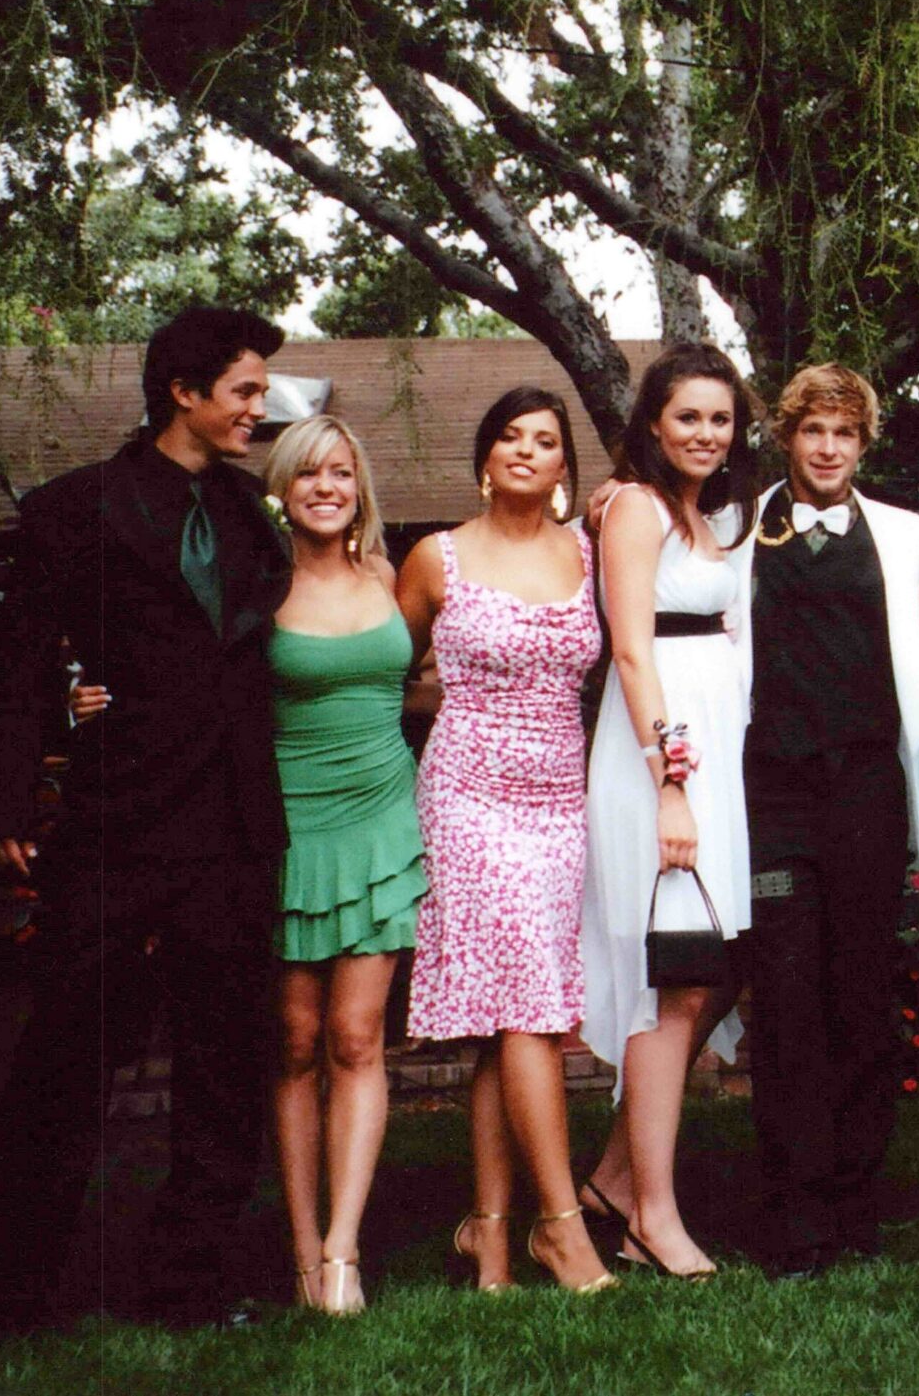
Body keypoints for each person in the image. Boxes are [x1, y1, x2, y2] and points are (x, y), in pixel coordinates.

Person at [0, 307, 293, 1335]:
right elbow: (19, 665)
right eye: (243, 388)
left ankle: (188, 1285)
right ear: (183, 390)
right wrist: (9, 801)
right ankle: (2, 1301)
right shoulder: (74, 509)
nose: (259, 408)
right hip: (120, 820)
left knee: (226, 1069)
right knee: (63, 1060)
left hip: (234, 829)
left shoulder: (251, 515)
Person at [399, 389, 615, 1295]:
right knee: (529, 1004)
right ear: (484, 458)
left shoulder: (590, 552)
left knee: (502, 1019)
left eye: (547, 441)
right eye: (511, 438)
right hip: (468, 794)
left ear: (566, 468)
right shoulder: (435, 557)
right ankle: (561, 1228)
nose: (528, 451)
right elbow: (381, 670)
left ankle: (487, 1233)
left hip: (563, 797)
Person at [733, 365, 919, 1279]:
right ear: (788, 437)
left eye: (844, 434)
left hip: (866, 796)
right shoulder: (733, 533)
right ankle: (794, 1214)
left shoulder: (912, 537)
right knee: (784, 1002)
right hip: (772, 801)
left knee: (860, 997)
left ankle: (858, 1204)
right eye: (813, 431)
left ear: (864, 444)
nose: (828, 449)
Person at [577, 344, 760, 1280]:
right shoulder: (635, 510)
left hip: (717, 760)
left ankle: (612, 1177)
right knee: (672, 979)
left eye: (720, 418)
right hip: (659, 758)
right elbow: (636, 653)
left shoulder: (719, 514)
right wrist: (672, 782)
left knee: (709, 970)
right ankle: (654, 1213)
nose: (705, 433)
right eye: (688, 416)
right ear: (654, 422)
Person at [249, 416, 430, 1314]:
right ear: (282, 486)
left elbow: (433, 669)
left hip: (382, 821)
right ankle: (297, 1248)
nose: (328, 485)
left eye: (343, 471)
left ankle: (341, 1254)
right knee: (293, 1043)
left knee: (358, 1038)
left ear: (360, 486)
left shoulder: (388, 578)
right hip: (287, 823)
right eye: (309, 472)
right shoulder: (253, 587)